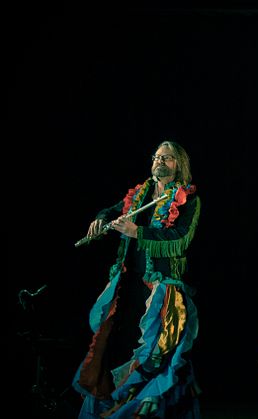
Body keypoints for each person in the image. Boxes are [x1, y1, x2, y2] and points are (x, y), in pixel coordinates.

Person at [72, 140, 201, 418]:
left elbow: (179, 238)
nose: (159, 161)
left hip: (161, 288)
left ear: (179, 164)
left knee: (159, 354)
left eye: (166, 158)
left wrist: (136, 232)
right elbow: (113, 210)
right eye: (156, 157)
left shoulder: (188, 199)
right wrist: (101, 218)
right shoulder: (141, 193)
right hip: (131, 285)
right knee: (121, 346)